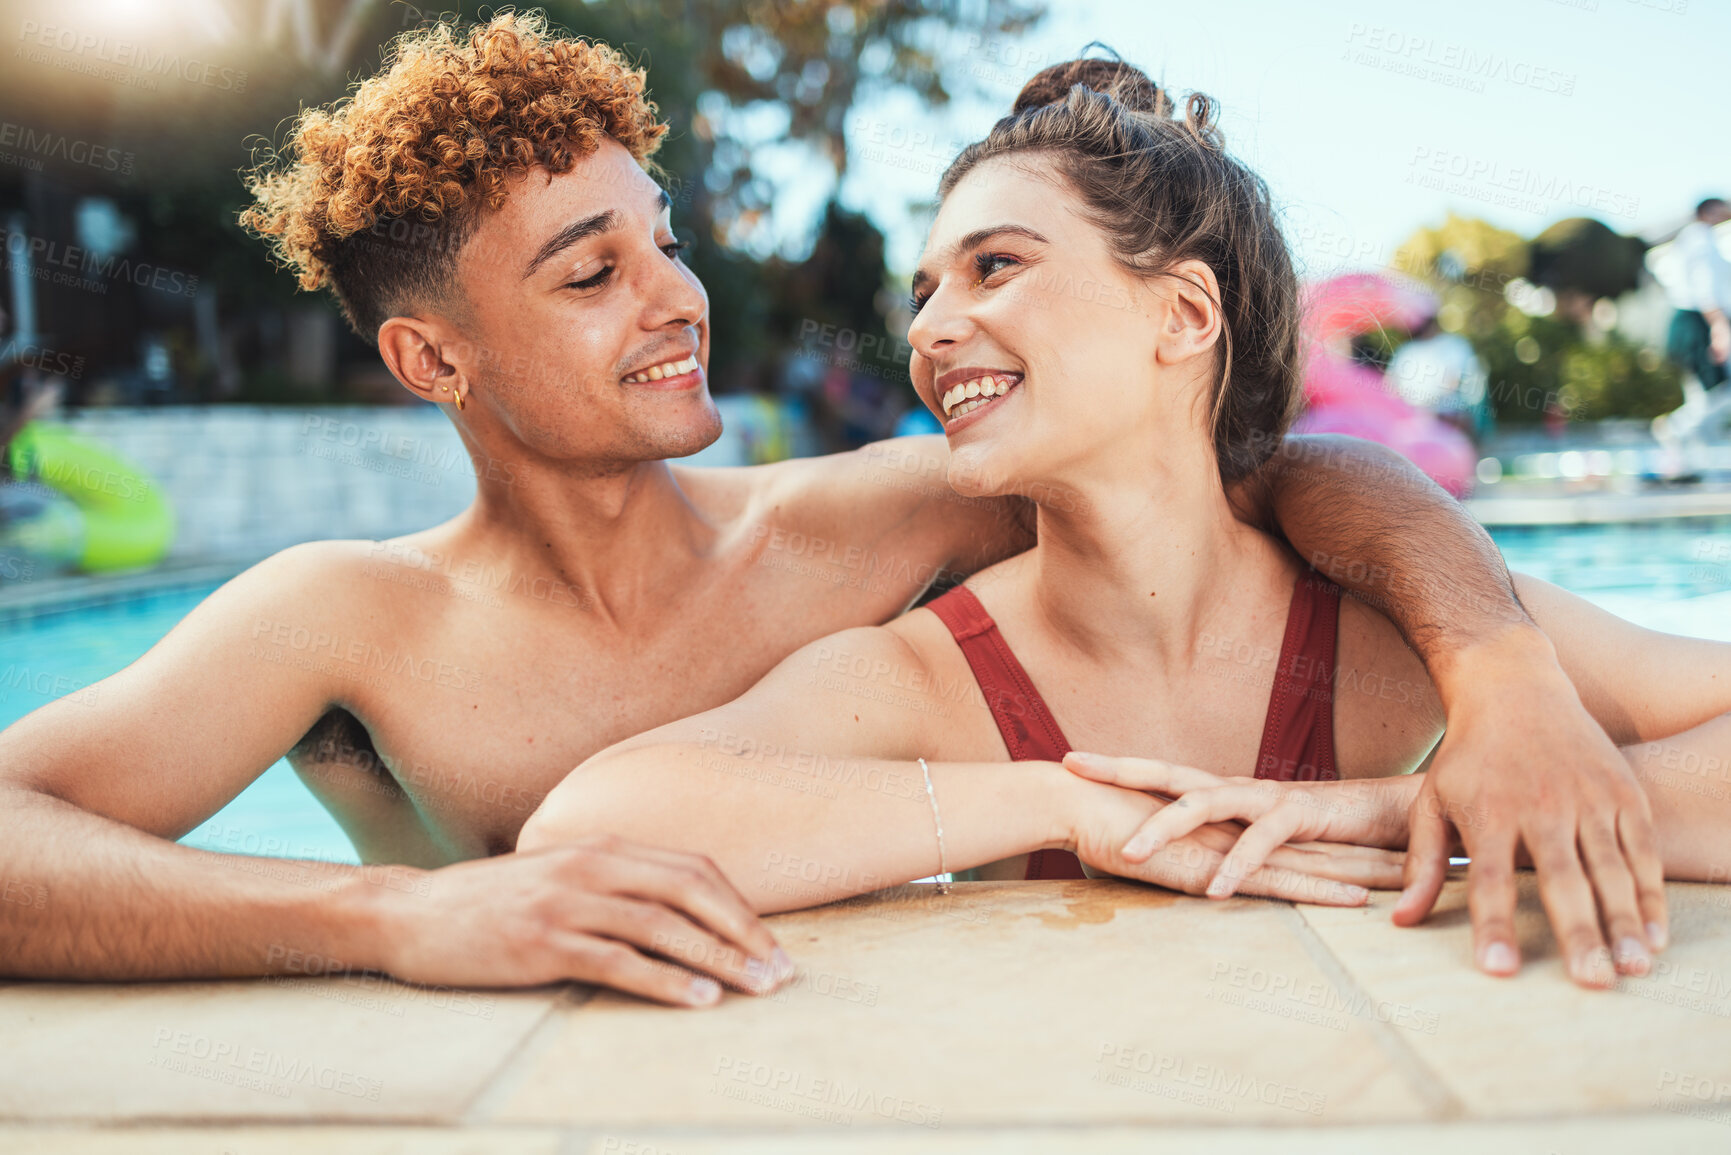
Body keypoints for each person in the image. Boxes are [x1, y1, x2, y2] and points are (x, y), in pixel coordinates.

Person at [0, 19, 1650, 1003]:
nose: (675, 296)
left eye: (661, 237)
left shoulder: (882, 519)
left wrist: (1495, 672)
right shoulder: (348, 621)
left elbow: (1265, 477)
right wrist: (395, 914)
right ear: (431, 354)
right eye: (592, 272)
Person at [518, 58, 1717, 992]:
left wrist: (1422, 804)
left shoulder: (1383, 635)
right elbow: (585, 832)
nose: (931, 329)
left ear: (1184, 316)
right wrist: (1066, 808)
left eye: (996, 267)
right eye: (927, 289)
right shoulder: (936, 680)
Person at [1652, 198, 1731, 451]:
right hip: (1698, 323)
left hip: (1695, 321)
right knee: (1716, 391)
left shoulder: (1694, 239)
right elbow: (1704, 287)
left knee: (1703, 394)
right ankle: (1675, 429)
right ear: (1707, 211)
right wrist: (1719, 326)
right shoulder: (1700, 238)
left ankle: (1692, 455)